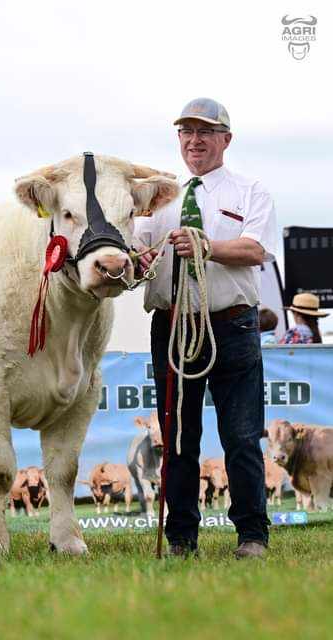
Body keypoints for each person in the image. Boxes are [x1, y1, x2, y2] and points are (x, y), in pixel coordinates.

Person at [134, 98, 277, 559]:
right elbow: (138, 251)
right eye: (186, 132)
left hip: (231, 324)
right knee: (178, 437)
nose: (194, 141)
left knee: (241, 436)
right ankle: (181, 539)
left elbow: (255, 250)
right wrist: (135, 259)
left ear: (225, 140)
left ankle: (252, 535)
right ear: (178, 138)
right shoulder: (159, 197)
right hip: (172, 326)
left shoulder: (251, 191)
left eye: (205, 132)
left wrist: (206, 245)